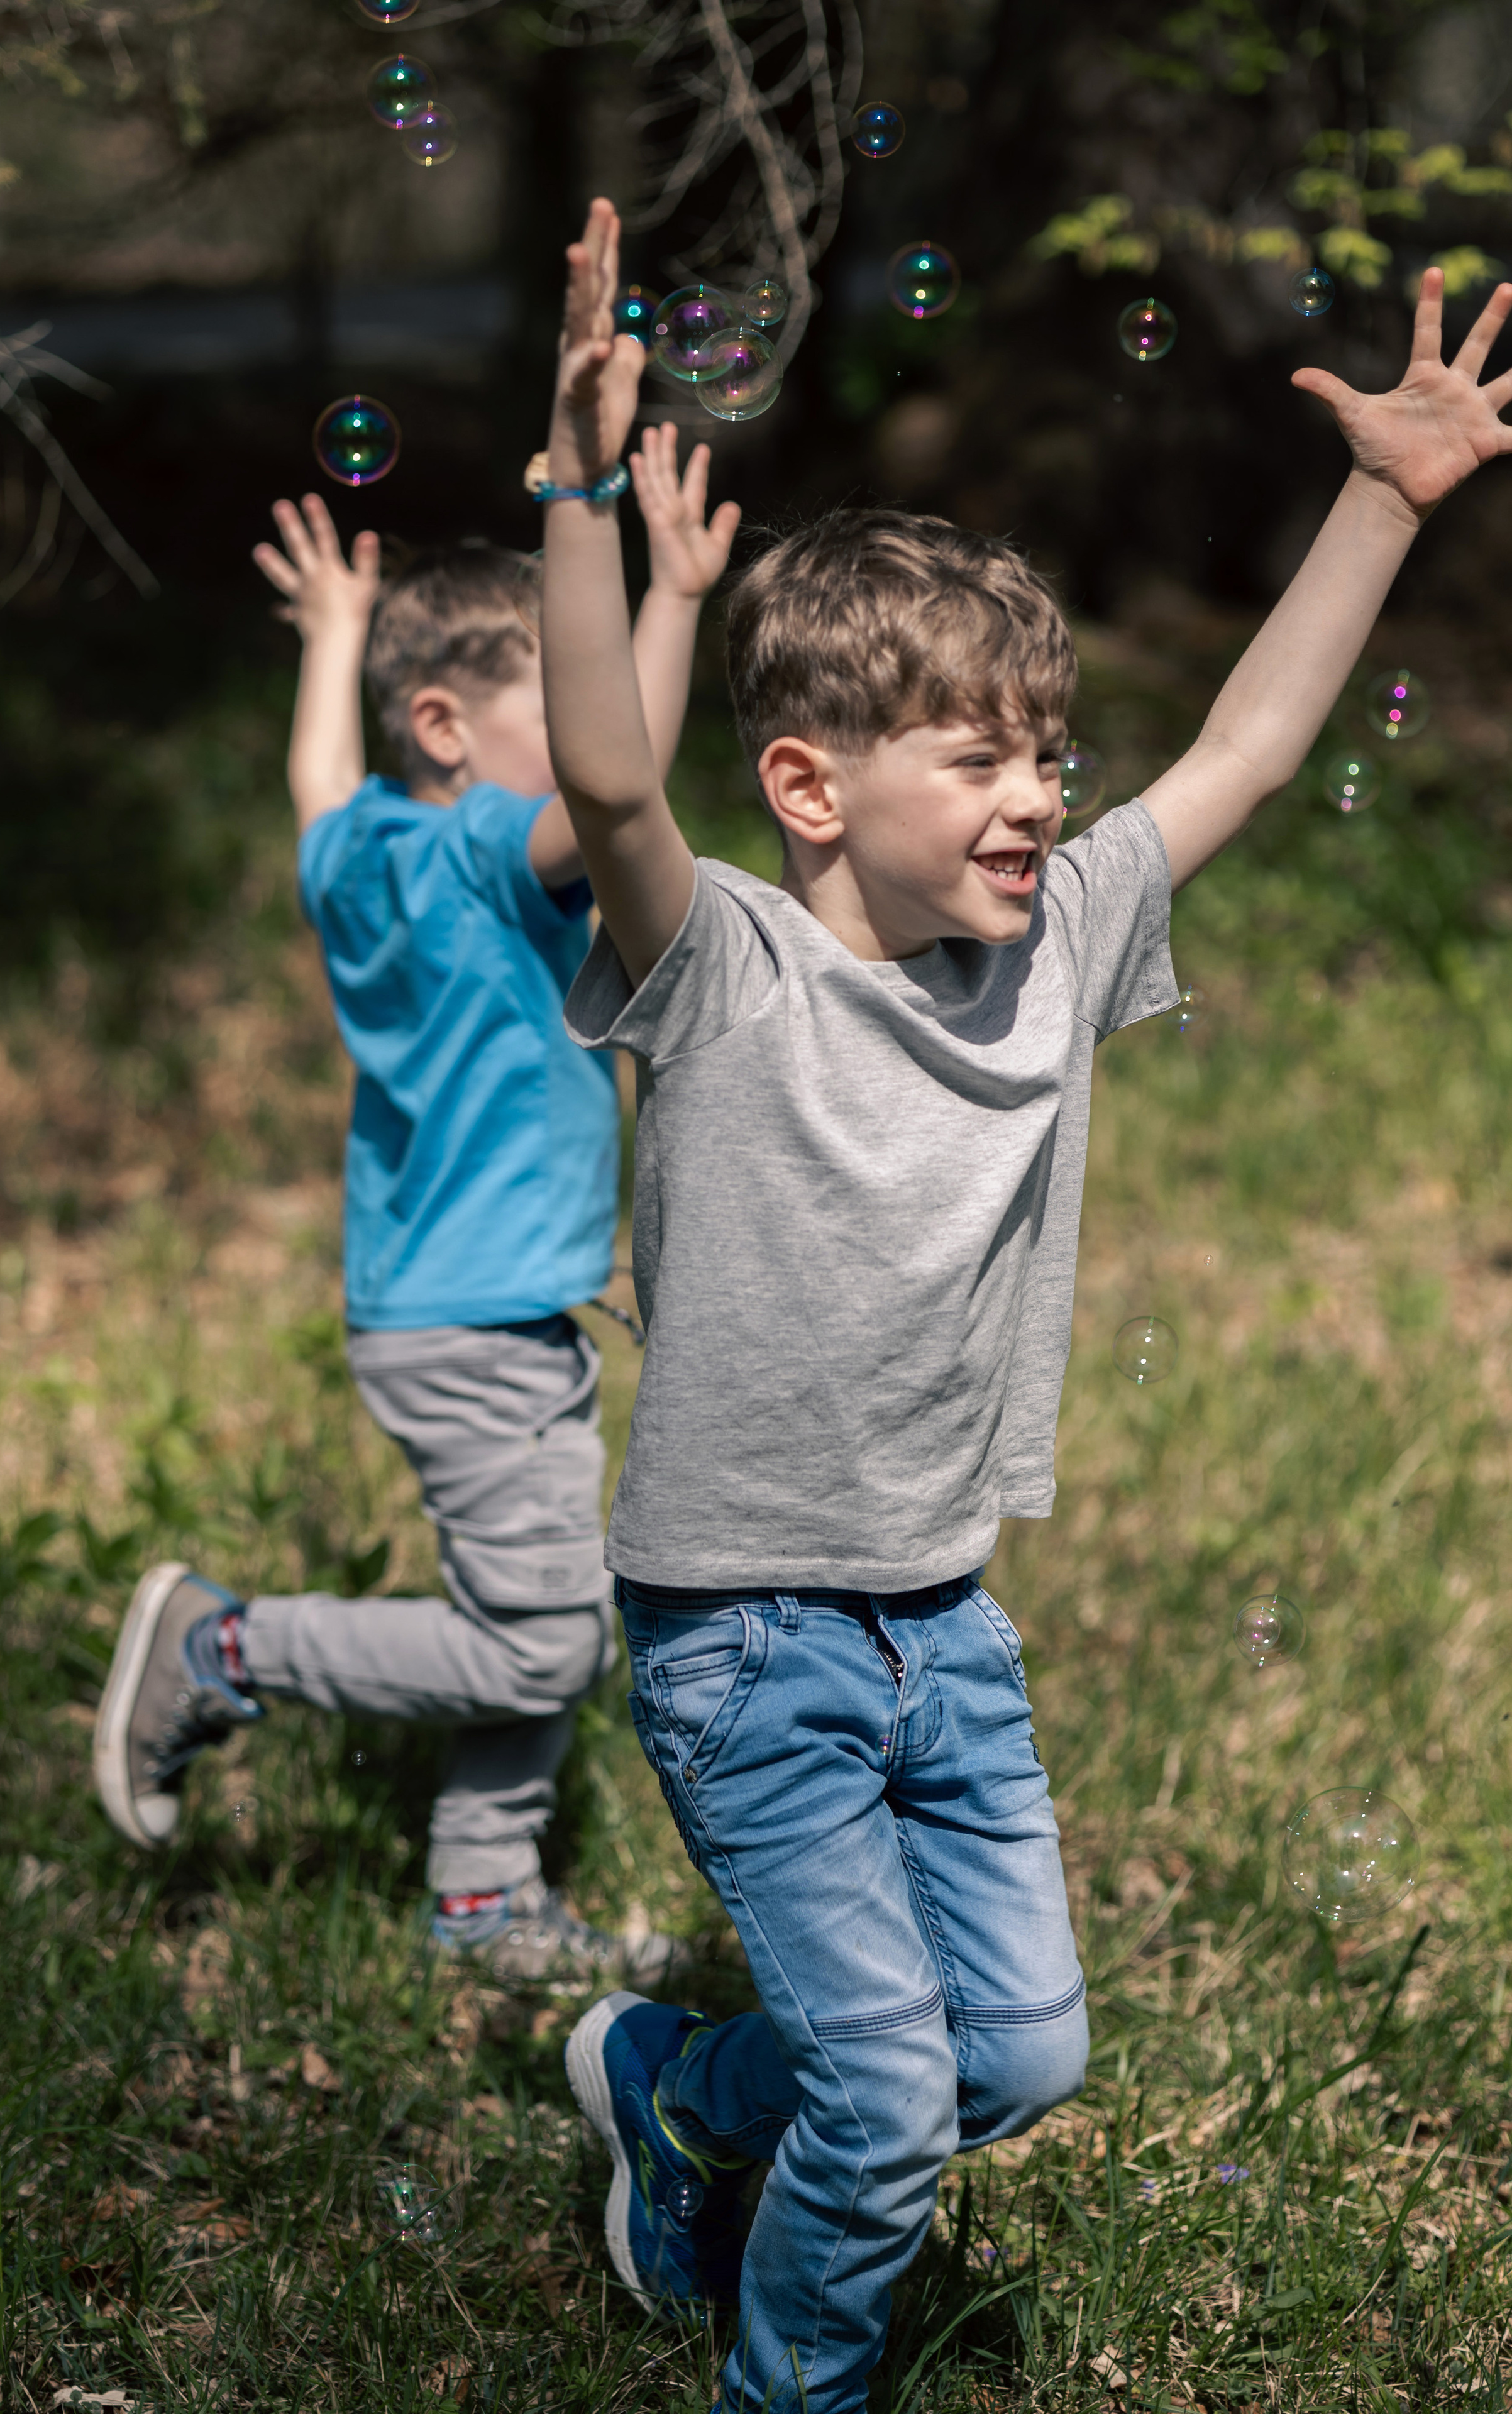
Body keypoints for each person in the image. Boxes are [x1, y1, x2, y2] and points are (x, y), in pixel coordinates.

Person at [539, 201, 1512, 2408]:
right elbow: (605, 775)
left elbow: (1253, 747)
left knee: (1025, 2058)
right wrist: (581, 495)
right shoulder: (723, 976)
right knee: (888, 2108)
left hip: (945, 1624)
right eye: (975, 756)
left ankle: (685, 2092)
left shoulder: (1058, 943)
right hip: (748, 1636)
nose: (1038, 791)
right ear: (809, 786)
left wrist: (1384, 492)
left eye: (1048, 749)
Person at [92, 419, 741, 1983]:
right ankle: (223, 1645)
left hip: (434, 1307)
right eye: (552, 676)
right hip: (483, 1320)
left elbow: (322, 776)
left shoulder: (360, 855)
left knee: (545, 1601)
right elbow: (616, 780)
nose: (580, 703)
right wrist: (668, 603)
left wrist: (327, 641)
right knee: (549, 1636)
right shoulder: (475, 861)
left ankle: (481, 1895)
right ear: (446, 725)